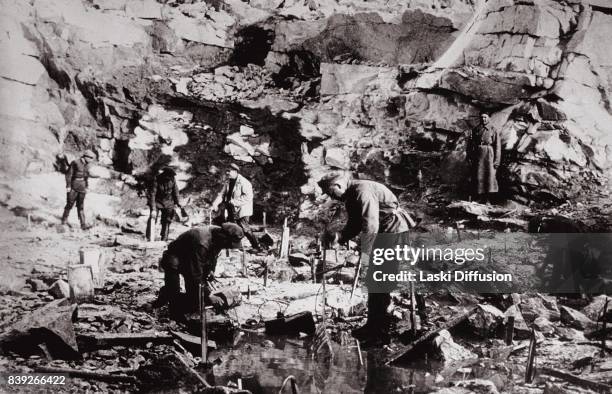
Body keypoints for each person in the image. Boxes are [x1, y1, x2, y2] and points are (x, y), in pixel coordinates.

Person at [317, 172, 415, 345]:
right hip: (384, 231)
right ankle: (372, 326)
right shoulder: (351, 195)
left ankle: (380, 333)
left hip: (393, 231)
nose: (331, 197)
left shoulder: (362, 190)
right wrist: (339, 237)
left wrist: (366, 254)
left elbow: (371, 224)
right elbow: (356, 223)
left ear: (339, 185)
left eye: (331, 192)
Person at [152, 223, 244, 320]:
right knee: (174, 288)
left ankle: (188, 306)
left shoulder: (219, 235)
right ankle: (171, 310)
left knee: (197, 293)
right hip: (175, 256)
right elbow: (195, 274)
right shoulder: (202, 242)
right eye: (229, 245)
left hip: (191, 255)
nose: (228, 247)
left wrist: (211, 270)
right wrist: (210, 295)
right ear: (225, 238)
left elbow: (214, 255)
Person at [211, 163, 261, 251]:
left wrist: (234, 202)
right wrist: (215, 203)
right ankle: (234, 246)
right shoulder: (228, 182)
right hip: (231, 209)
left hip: (242, 210)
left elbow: (248, 197)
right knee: (231, 228)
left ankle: (256, 246)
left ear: (235, 171)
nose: (227, 173)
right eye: (226, 171)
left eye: (229, 171)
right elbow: (221, 194)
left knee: (245, 229)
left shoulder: (244, 182)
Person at [466, 113, 501, 203]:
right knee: (478, 176)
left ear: (489, 118)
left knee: (489, 176)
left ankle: (487, 199)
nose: (483, 119)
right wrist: (469, 156)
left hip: (489, 155)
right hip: (478, 155)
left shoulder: (493, 130)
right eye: (482, 117)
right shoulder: (476, 129)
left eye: (485, 117)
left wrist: (496, 161)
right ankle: (479, 197)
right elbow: (470, 144)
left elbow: (497, 146)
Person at [61, 150, 96, 230]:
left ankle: (83, 225)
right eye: (90, 158)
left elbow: (86, 176)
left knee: (80, 206)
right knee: (70, 204)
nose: (91, 160)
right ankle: (64, 220)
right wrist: (68, 186)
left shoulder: (87, 165)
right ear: (85, 156)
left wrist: (86, 186)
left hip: (82, 187)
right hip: (74, 186)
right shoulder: (75, 162)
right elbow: (69, 174)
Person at [148, 167, 183, 241]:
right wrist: (153, 209)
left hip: (169, 203)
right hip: (157, 202)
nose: (170, 178)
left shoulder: (172, 179)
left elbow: (175, 192)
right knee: (153, 218)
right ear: (165, 174)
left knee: (167, 220)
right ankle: (149, 237)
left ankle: (164, 238)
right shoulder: (157, 179)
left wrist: (178, 203)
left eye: (171, 176)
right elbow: (152, 194)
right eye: (169, 176)